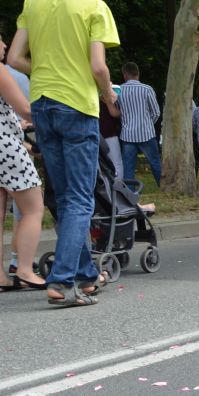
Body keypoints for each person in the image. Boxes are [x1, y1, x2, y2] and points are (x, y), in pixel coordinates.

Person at [10, 0, 119, 307]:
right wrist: (109, 93)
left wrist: (48, 69)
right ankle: (61, 281)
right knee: (81, 198)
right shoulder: (94, 6)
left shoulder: (33, 3)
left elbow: (16, 58)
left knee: (65, 197)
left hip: (43, 103)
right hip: (77, 104)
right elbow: (98, 67)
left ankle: (85, 276)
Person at [0, 35, 45, 293]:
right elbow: (25, 108)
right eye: (1, 41)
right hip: (5, 146)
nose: (5, 46)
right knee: (33, 207)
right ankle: (26, 269)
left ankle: (0, 276)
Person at [116, 62, 160, 186]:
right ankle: (163, 188)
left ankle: (129, 194)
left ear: (125, 74)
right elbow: (156, 113)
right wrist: (148, 124)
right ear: (138, 73)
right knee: (155, 163)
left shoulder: (119, 91)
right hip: (147, 133)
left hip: (127, 134)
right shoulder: (147, 89)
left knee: (128, 166)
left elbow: (118, 111)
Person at [98, 88, 120, 176]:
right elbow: (114, 113)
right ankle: (118, 186)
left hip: (95, 131)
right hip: (109, 131)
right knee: (116, 162)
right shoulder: (106, 93)